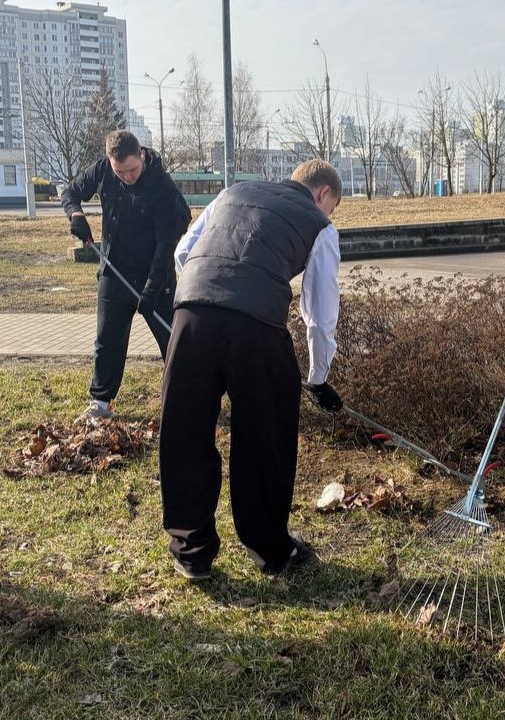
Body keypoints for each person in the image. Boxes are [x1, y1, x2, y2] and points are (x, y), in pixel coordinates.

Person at [159, 159, 344, 580]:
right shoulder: (321, 225)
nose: (328, 213)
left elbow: (183, 251)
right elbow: (320, 314)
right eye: (332, 206)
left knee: (184, 431)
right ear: (323, 194)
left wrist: (205, 293)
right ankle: (271, 549)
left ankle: (191, 552)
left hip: (191, 317)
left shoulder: (232, 193)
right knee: (265, 437)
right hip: (256, 327)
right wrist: (318, 378)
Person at [61, 130, 191, 419]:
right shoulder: (103, 170)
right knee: (107, 340)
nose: (127, 177)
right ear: (110, 161)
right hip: (114, 271)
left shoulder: (161, 186)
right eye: (120, 172)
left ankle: (188, 397)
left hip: (155, 274)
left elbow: (166, 244)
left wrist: (152, 288)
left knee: (172, 340)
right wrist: (76, 215)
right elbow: (70, 192)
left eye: (132, 169)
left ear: (141, 155)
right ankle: (101, 402)